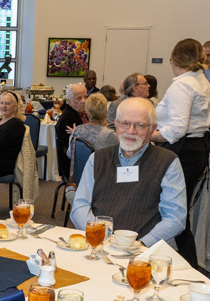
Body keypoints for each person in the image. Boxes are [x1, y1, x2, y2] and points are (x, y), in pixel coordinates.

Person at [70, 97, 186, 247]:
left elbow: (175, 218)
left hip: (146, 251)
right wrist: (101, 236)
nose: (131, 131)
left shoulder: (168, 162)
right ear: (116, 125)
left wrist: (141, 244)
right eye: (125, 123)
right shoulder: (98, 159)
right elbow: (80, 205)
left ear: (152, 128)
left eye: (140, 125)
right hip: (100, 245)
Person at [153, 38, 210, 208]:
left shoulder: (182, 85)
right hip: (197, 147)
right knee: (180, 208)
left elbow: (177, 129)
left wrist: (149, 136)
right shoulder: (202, 82)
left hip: (181, 149)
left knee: (170, 208)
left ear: (174, 60)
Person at [56, 83, 86, 180]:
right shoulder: (67, 118)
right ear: (68, 101)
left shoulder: (83, 113)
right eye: (78, 98)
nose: (84, 101)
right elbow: (71, 150)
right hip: (73, 165)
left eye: (85, 97)